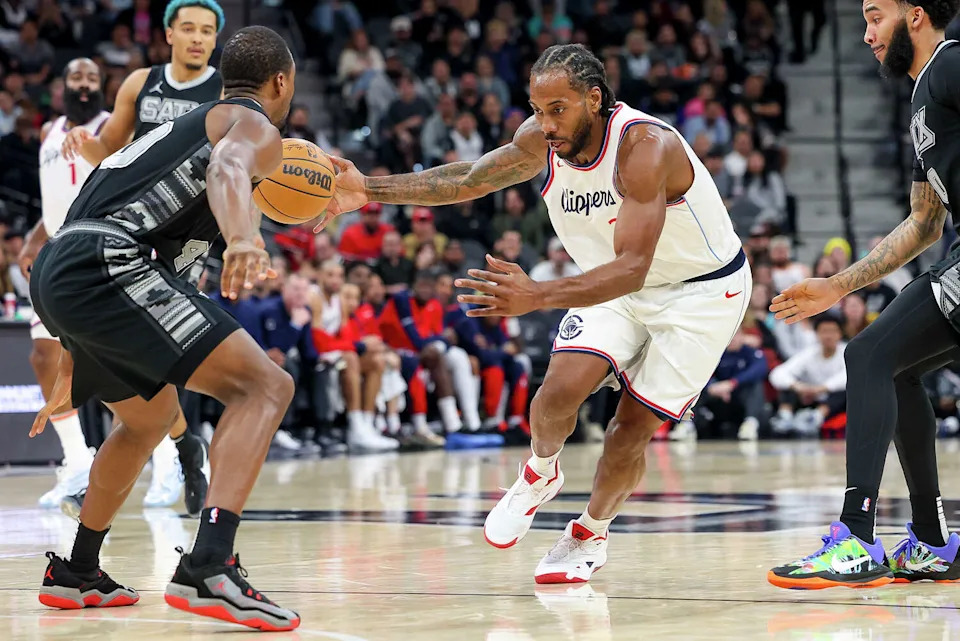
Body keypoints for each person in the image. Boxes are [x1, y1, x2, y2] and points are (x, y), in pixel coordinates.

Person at [323, 43, 749, 583]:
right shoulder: (540, 140)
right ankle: (539, 472)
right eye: (537, 108)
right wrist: (370, 190)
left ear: (594, 99)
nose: (544, 124)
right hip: (613, 283)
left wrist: (538, 296)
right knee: (554, 397)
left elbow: (634, 266)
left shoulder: (645, 148)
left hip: (700, 293)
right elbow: (471, 179)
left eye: (558, 109)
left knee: (628, 431)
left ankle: (589, 534)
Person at [28, 26, 300, 629]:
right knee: (266, 387)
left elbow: (77, 230)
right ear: (282, 82)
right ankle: (209, 566)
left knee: (148, 418)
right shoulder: (252, 124)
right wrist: (245, 238)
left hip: (62, 266)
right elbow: (230, 167)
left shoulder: (169, 134)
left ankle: (77, 572)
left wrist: (73, 353)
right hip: (111, 262)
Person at [768, 0, 960, 589]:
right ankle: (929, 541)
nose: (867, 33)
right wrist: (837, 284)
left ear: (917, 16)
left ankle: (856, 538)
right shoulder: (923, 93)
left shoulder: (952, 67)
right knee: (892, 368)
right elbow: (924, 224)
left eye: (876, 17)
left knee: (868, 356)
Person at [56, 0, 226, 514]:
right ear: (169, 33)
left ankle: (164, 453)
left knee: (151, 354)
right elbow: (109, 152)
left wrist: (246, 238)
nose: (198, 38)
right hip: (130, 223)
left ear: (215, 40)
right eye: (189, 29)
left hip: (190, 228)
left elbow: (241, 167)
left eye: (207, 31)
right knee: (126, 352)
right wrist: (83, 142)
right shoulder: (140, 83)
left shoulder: (224, 90)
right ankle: (181, 446)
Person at [16, 58, 109, 511]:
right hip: (56, 252)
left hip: (100, 249)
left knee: (120, 362)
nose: (85, 85)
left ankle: (173, 458)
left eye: (93, 78)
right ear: (63, 85)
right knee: (42, 353)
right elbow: (54, 198)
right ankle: (77, 462)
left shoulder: (113, 126)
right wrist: (34, 239)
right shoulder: (50, 132)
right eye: (77, 77)